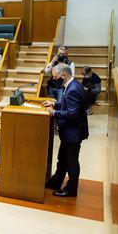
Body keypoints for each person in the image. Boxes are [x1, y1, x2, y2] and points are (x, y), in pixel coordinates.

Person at [42, 64, 89, 197]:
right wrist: (54, 104)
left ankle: (71, 189)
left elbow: (73, 113)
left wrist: (55, 112)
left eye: (55, 77)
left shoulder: (73, 89)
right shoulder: (72, 85)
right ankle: (56, 181)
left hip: (73, 133)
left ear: (64, 75)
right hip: (70, 131)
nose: (54, 79)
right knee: (62, 158)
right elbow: (69, 104)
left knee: (71, 161)